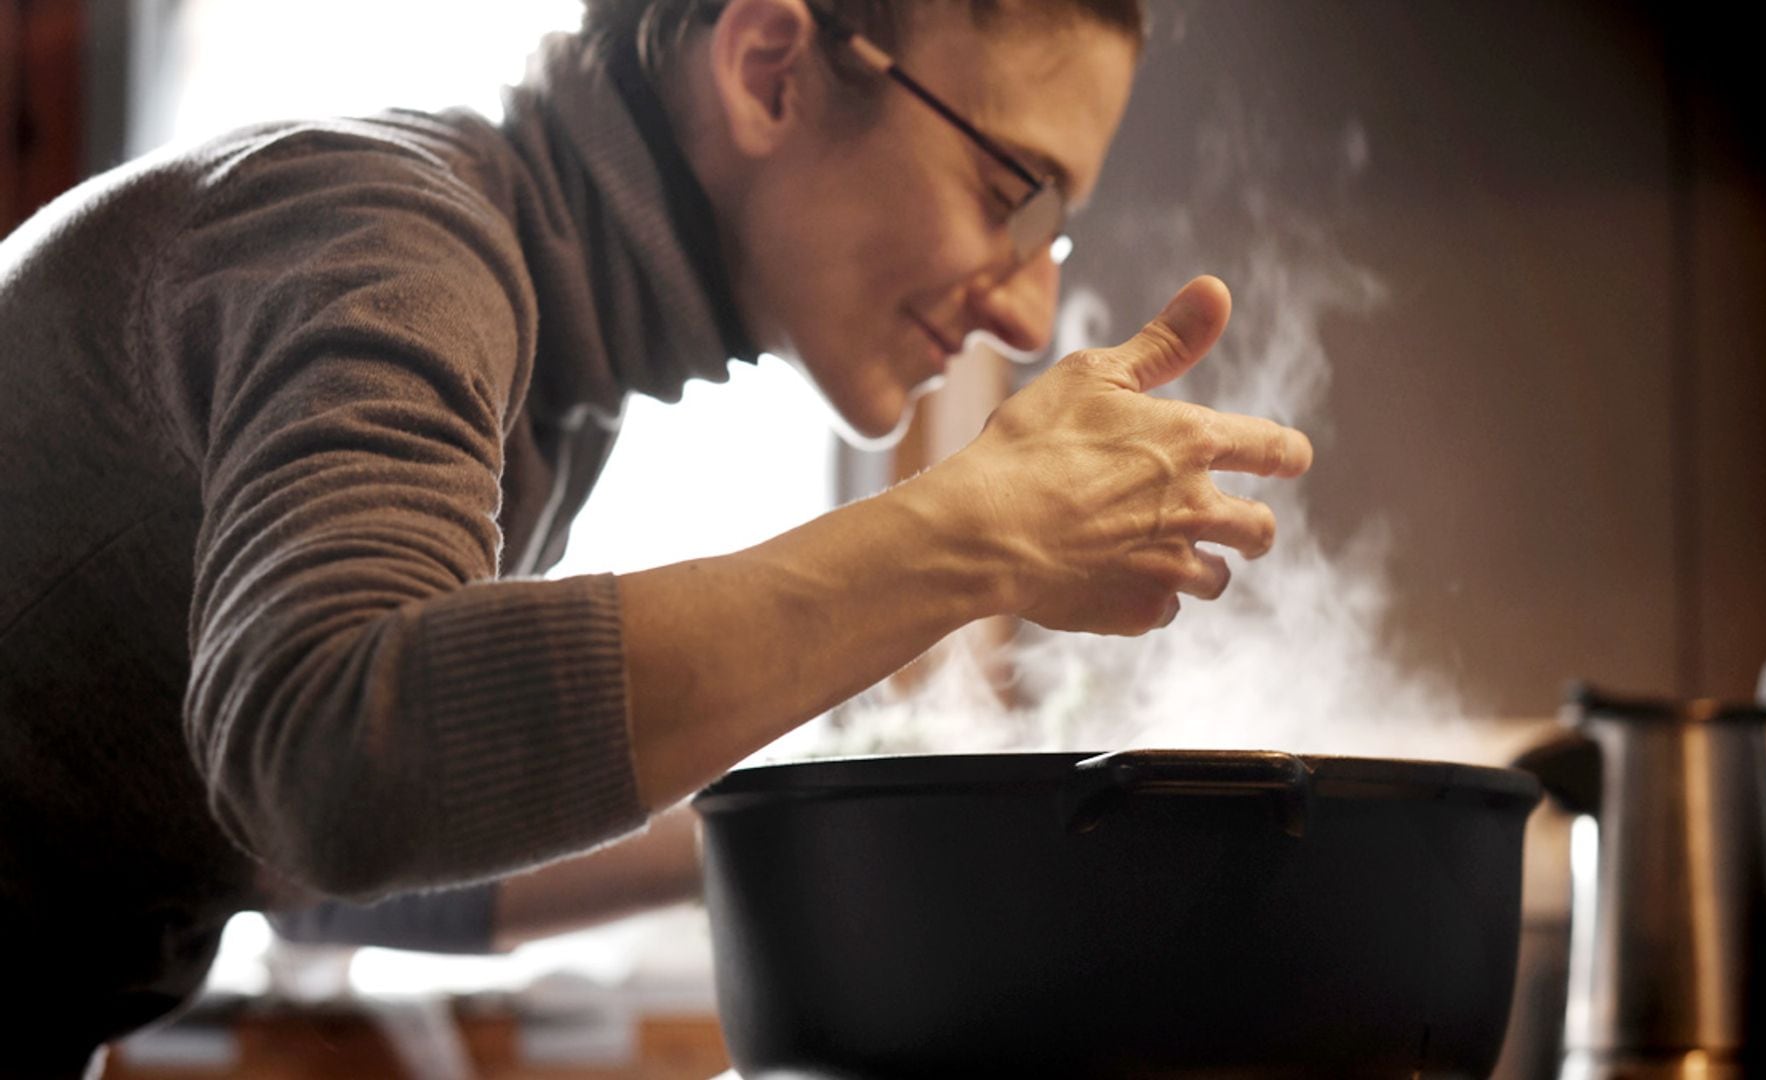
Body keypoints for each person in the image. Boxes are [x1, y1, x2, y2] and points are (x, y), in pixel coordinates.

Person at [0, 0, 1310, 1073]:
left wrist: (858, 827)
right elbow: (340, 763)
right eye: (1013, 194)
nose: (1033, 310)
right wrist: (973, 532)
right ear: (769, 69)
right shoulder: (399, 251)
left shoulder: (545, 387)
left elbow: (321, 857)